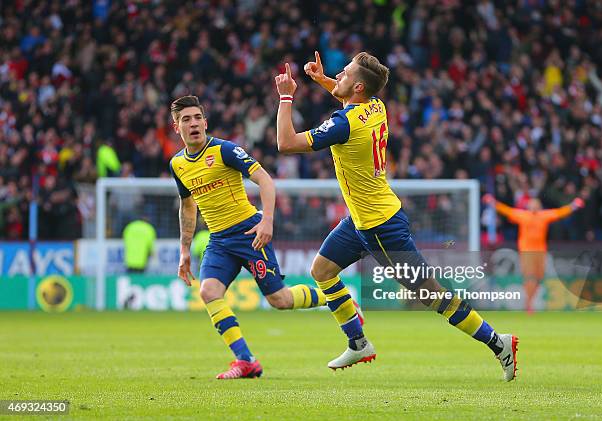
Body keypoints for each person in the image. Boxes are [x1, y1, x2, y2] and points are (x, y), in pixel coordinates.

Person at [275, 52, 518, 381]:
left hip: (380, 228)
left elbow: (286, 143)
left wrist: (287, 95)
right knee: (322, 270)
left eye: (344, 74)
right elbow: (345, 92)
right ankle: (358, 342)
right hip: (364, 220)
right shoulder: (376, 106)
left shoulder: (344, 123)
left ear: (358, 87)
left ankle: (498, 343)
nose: (339, 77)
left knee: (431, 295)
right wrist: (321, 80)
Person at [169, 95, 329, 380]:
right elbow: (188, 205)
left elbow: (265, 179)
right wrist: (184, 250)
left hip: (249, 232)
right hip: (219, 240)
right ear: (176, 127)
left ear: (205, 122)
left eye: (196, 118)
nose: (193, 124)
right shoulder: (178, 164)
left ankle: (335, 298)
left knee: (279, 299)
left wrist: (267, 220)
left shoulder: (224, 150)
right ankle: (246, 361)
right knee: (208, 292)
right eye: (185, 119)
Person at [483, 194, 585, 313]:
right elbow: (506, 210)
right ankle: (529, 304)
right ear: (528, 206)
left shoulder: (544, 216)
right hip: (526, 251)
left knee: (539, 277)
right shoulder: (523, 215)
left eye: (536, 205)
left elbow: (560, 212)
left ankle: (529, 301)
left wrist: (573, 206)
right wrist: (492, 202)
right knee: (530, 277)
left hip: (540, 251)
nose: (534, 207)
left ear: (540, 206)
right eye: (532, 204)